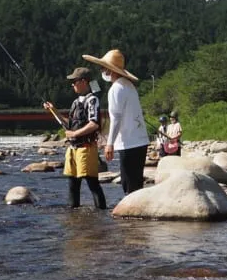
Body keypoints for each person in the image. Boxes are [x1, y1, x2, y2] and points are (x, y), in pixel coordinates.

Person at [82, 49, 150, 194]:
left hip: (128, 143)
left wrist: (110, 144)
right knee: (137, 185)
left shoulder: (116, 89)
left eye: (103, 67)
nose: (102, 70)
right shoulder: (129, 85)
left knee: (128, 186)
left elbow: (116, 118)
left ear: (109, 70)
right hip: (141, 141)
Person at [43, 67, 107, 210]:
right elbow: (69, 124)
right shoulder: (75, 102)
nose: (72, 84)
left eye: (74, 81)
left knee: (93, 184)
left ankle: (101, 214)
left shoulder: (92, 100)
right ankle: (73, 214)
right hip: (73, 149)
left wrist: (74, 134)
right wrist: (54, 111)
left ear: (84, 82)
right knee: (73, 184)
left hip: (86, 148)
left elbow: (94, 124)